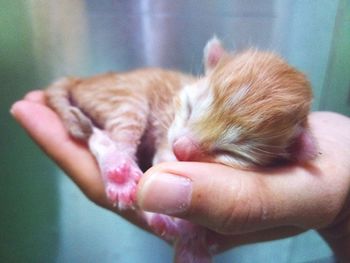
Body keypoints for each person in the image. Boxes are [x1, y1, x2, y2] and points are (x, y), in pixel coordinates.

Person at [11, 90, 350, 262]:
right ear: (212, 66)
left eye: (233, 149)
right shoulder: (188, 97)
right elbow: (169, 154)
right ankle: (104, 145)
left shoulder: (299, 148)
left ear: (296, 150)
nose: (185, 147)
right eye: (191, 111)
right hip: (130, 98)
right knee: (131, 118)